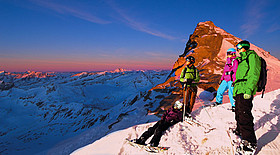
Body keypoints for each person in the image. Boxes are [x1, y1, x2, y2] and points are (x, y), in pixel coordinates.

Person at [233, 40, 261, 154]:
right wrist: (235, 92)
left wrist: (249, 90)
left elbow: (254, 74)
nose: (237, 49)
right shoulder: (241, 60)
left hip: (246, 90)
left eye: (239, 47)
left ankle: (250, 142)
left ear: (245, 47)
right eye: (237, 47)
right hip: (239, 89)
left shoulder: (252, 56)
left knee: (245, 115)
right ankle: (240, 130)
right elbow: (238, 78)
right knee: (238, 112)